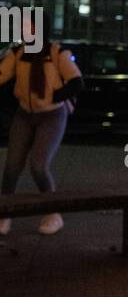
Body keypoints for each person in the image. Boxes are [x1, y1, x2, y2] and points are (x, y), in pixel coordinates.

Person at [0, 15, 83, 235]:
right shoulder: (18, 54)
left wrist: (55, 97)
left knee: (38, 166)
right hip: (24, 113)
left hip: (52, 115)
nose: (26, 29)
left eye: (30, 25)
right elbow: (2, 75)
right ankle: (5, 214)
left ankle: (53, 214)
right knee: (11, 168)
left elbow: (76, 81)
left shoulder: (57, 53)